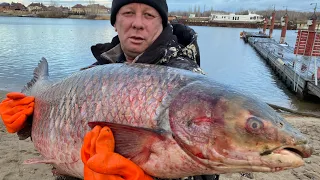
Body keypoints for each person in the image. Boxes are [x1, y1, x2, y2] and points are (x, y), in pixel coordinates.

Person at [0, 0, 219, 179]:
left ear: (163, 23)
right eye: (128, 12)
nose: (138, 24)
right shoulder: (96, 72)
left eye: (149, 15)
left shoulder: (188, 81)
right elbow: (66, 139)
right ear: (115, 22)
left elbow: (211, 167)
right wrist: (28, 121)